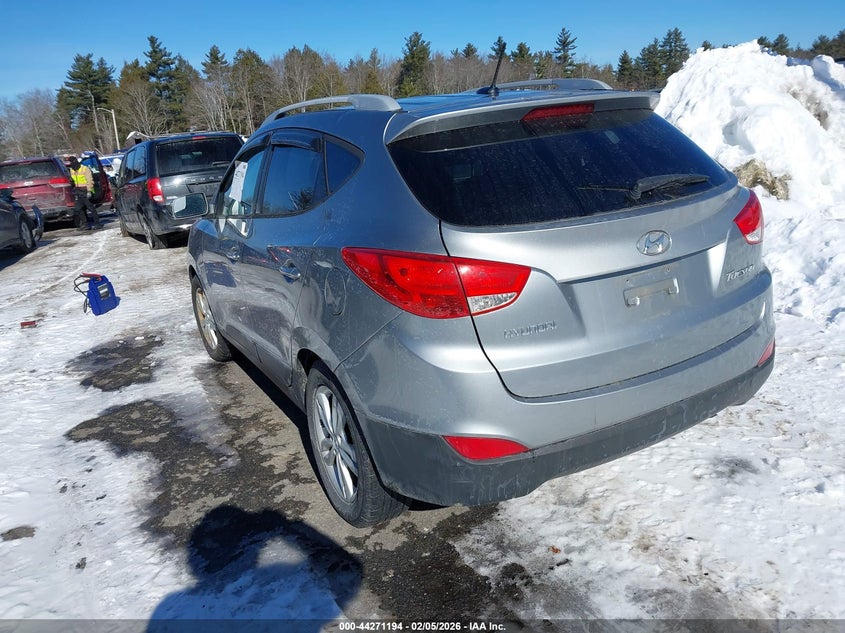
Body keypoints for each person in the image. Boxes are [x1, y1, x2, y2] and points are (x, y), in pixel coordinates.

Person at [68, 156, 101, 230]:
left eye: (70, 162)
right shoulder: (72, 170)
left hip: (85, 190)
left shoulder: (84, 168)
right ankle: (85, 224)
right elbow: (73, 180)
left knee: (90, 208)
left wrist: (89, 191)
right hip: (77, 190)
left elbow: (89, 180)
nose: (70, 164)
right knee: (78, 209)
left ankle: (97, 224)